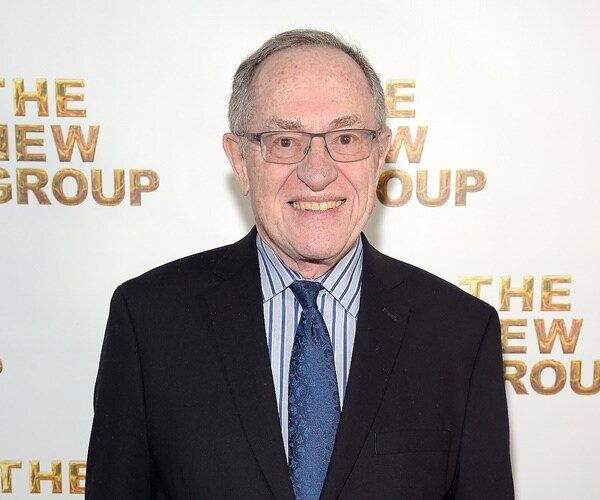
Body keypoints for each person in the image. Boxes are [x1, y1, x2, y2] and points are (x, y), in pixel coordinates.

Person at [86, 29, 514, 499]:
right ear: (240, 160)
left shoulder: (460, 333)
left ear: (380, 155)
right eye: (286, 141)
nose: (317, 172)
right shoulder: (149, 321)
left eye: (346, 138)